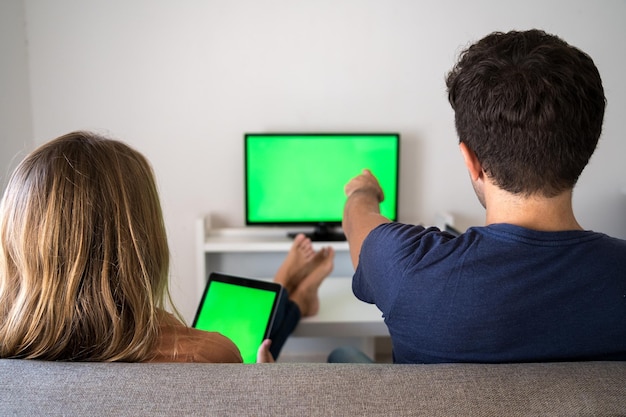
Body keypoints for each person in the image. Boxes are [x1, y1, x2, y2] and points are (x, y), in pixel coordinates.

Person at [335, 29, 626, 364]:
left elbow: (357, 221)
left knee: (342, 354)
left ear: (471, 160)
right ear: (585, 150)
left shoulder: (405, 266)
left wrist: (363, 191)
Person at [0, 131, 334, 363]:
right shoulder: (205, 355)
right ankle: (292, 294)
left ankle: (290, 291)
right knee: (259, 339)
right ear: (142, 241)